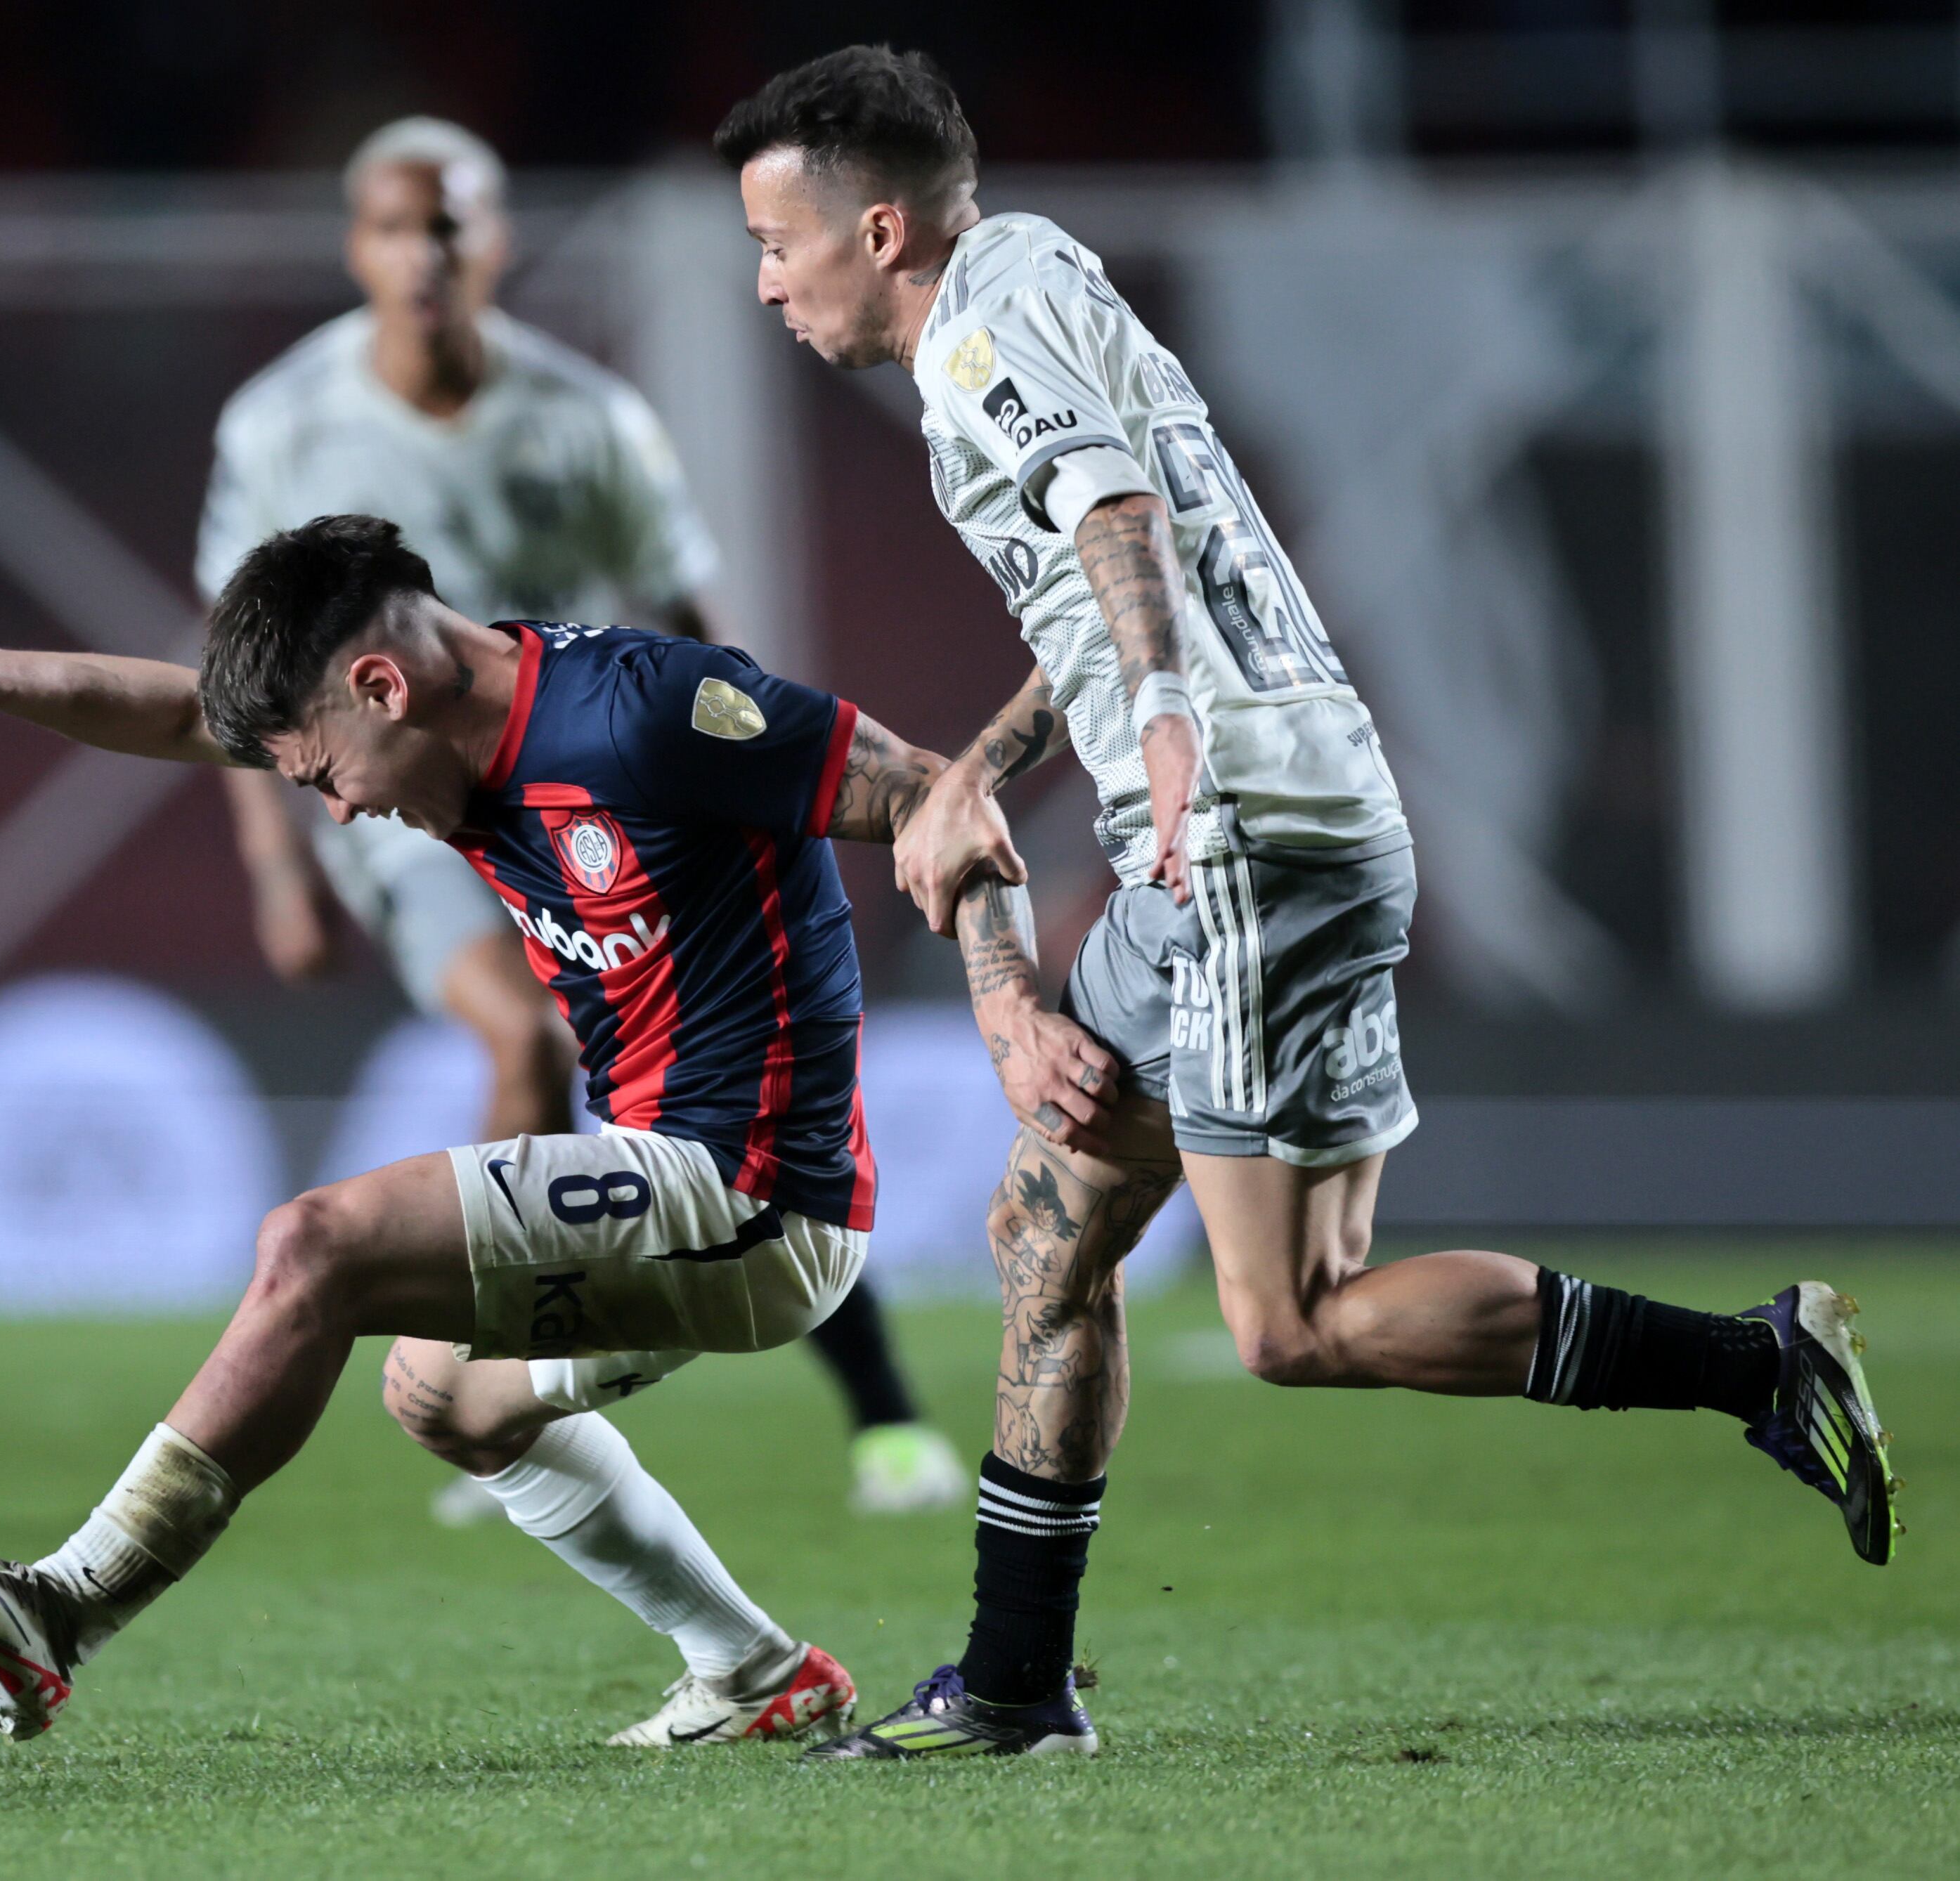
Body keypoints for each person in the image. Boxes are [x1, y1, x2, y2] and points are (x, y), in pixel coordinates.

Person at [708, 46, 1901, 1762]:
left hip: (1239, 839)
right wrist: (983, 763)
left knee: (1284, 1324)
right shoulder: (1037, 272)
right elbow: (1115, 564)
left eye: (775, 242)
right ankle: (1011, 1681)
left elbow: (1115, 519)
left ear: (875, 228)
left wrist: (1169, 716)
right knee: (1050, 1224)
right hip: (1288, 814)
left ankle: (1752, 1368)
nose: (764, 280)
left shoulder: (972, 342)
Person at [0, 516, 977, 1745]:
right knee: (444, 1393)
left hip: (746, 1193)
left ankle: (64, 1609)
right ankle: (753, 1668)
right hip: (682, 1179)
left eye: (324, 777)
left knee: (315, 1243)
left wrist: (1017, 1019)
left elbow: (930, 794)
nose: (338, 812)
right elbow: (175, 719)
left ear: (380, 683)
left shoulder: (644, 714)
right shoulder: (451, 727)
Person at [200, 115, 963, 1520]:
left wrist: (757, 794)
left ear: (493, 241)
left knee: (726, 1129)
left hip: (600, 776)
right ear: (354, 247)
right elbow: (240, 681)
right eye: (392, 226)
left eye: (452, 224)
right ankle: (505, 1379)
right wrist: (276, 862)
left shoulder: (586, 415)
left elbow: (686, 618)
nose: (423, 255)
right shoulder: (277, 422)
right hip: (409, 799)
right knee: (530, 1037)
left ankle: (821, 1405)